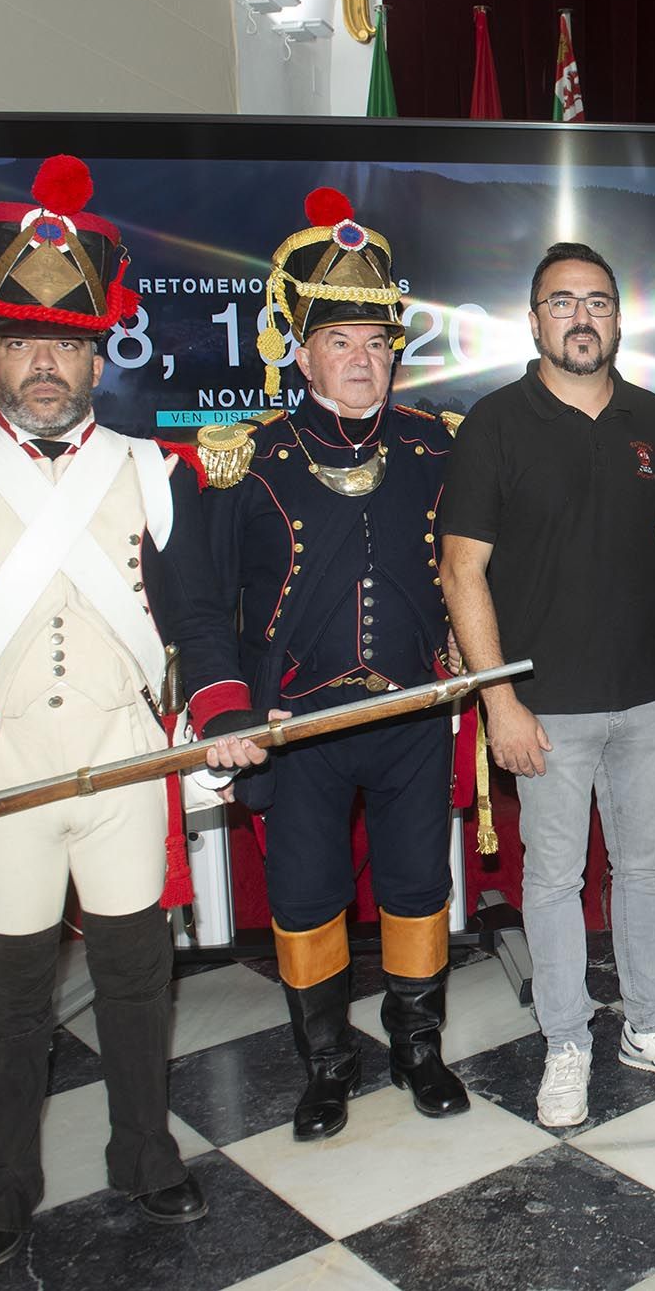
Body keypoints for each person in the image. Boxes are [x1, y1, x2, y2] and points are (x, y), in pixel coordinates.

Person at [0, 156, 267, 1271]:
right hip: (0, 778)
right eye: (23, 342)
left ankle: (143, 1154)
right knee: (9, 1001)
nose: (45, 363)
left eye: (67, 343)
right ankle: (3, 1184)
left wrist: (221, 709)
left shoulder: (158, 469)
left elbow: (204, 623)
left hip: (125, 765)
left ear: (97, 355)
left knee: (137, 983)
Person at [202, 187, 470, 1142]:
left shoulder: (439, 450)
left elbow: (478, 569)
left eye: (377, 345)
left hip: (408, 717)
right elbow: (206, 603)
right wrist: (226, 707)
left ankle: (417, 1047)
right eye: (341, 345)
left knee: (415, 887)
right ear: (302, 351)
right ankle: (325, 1065)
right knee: (308, 898)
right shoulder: (248, 460)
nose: (363, 363)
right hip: (295, 729)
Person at [440, 242, 655, 1127]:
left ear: (616, 317)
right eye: (561, 302)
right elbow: (459, 570)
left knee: (643, 868)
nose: (581, 316)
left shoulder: (651, 418)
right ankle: (566, 1040)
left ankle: (649, 1024)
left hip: (646, 693)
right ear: (534, 321)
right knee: (554, 880)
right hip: (542, 707)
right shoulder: (493, 423)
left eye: (596, 301)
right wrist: (499, 700)